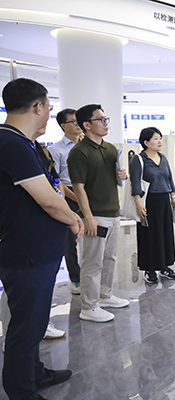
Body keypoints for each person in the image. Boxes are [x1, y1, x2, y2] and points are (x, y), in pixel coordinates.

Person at [0, 78, 84, 400]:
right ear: (37, 107)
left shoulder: (24, 143)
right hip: (26, 252)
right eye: (48, 107)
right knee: (26, 327)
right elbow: (48, 198)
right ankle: (21, 391)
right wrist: (74, 219)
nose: (49, 114)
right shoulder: (11, 143)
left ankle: (34, 373)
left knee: (34, 322)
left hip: (35, 250)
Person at [68, 104, 130, 323]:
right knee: (92, 262)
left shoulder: (111, 149)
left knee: (110, 258)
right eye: (101, 120)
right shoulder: (79, 152)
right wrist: (88, 217)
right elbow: (79, 188)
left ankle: (105, 295)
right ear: (87, 125)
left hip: (113, 211)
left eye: (106, 119)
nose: (105, 123)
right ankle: (89, 306)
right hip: (96, 215)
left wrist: (122, 175)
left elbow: (113, 179)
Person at [129, 127, 175, 284]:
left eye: (160, 138)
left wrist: (173, 196)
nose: (159, 141)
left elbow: (169, 178)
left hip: (164, 201)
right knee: (149, 235)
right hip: (148, 201)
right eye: (156, 138)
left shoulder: (162, 158)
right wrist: (138, 202)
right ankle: (149, 269)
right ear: (146, 142)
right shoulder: (138, 159)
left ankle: (164, 266)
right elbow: (135, 182)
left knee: (165, 234)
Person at [49, 108, 83, 295]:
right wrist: (74, 197)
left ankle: (92, 276)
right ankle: (76, 279)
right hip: (69, 197)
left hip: (89, 195)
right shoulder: (55, 150)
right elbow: (57, 180)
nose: (78, 125)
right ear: (63, 126)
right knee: (70, 241)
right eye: (73, 121)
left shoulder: (87, 146)